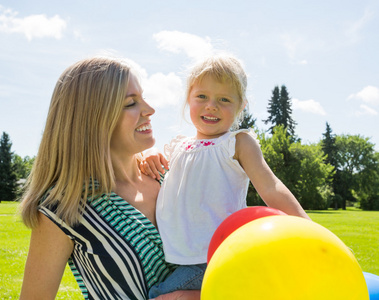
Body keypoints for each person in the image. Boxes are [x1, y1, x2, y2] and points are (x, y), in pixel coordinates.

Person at [19, 56, 200, 300]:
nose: (149, 110)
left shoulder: (170, 176)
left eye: (143, 97)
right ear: (92, 119)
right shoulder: (64, 209)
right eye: (130, 103)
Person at [140, 54, 311, 298]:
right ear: (188, 99)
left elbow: (271, 187)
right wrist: (149, 152)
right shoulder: (178, 146)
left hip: (214, 254)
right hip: (176, 257)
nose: (212, 105)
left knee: (158, 296)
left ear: (241, 105)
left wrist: (310, 229)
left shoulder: (236, 143)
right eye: (202, 96)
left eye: (224, 99)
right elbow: (141, 163)